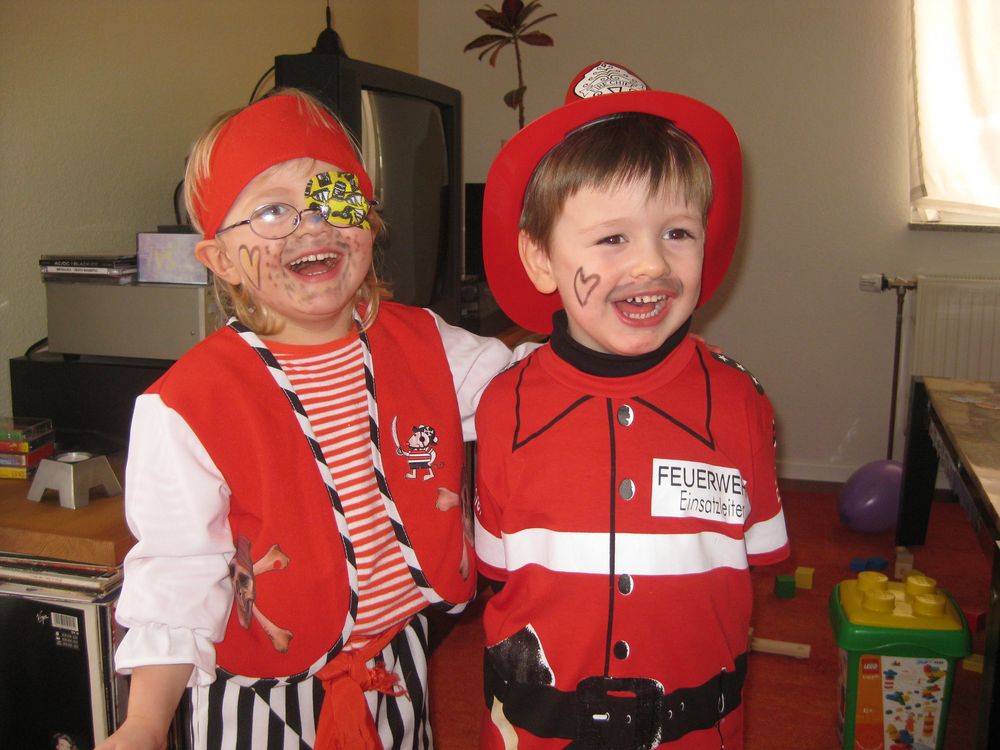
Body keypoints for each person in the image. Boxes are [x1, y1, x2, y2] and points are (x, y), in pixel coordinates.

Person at [98, 89, 535, 750]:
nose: (313, 225)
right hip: (262, 700)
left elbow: (527, 396)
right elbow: (174, 576)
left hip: (394, 669)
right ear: (219, 259)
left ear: (371, 222)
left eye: (338, 198)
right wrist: (144, 724)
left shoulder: (426, 345)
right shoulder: (187, 404)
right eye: (273, 210)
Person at [473, 61, 790, 749]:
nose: (651, 265)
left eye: (677, 233)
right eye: (612, 238)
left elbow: (755, 562)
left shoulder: (740, 406)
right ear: (540, 259)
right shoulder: (505, 409)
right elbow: (502, 579)